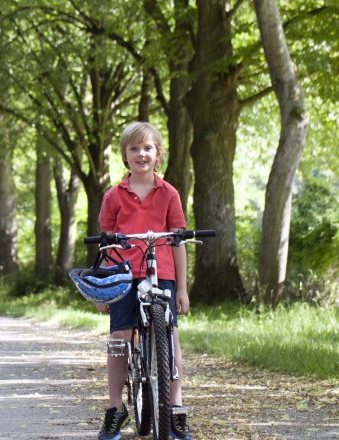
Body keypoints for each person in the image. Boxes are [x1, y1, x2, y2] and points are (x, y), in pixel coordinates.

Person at [95, 122, 192, 440]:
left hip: (160, 273)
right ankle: (116, 409)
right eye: (134, 148)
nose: (141, 154)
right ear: (125, 155)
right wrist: (106, 287)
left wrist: (181, 287)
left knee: (171, 337)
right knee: (119, 338)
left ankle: (176, 408)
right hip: (123, 275)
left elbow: (178, 241)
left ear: (158, 154)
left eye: (147, 148)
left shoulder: (169, 194)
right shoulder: (114, 196)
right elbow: (106, 245)